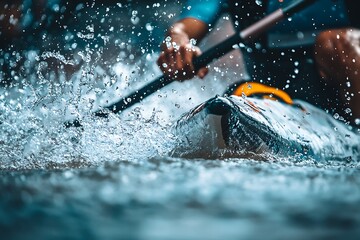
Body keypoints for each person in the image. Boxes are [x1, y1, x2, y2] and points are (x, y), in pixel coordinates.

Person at [157, 0, 360, 127]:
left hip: (344, 106)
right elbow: (183, 29)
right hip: (274, 97)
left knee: (340, 42)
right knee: (239, 92)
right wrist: (177, 45)